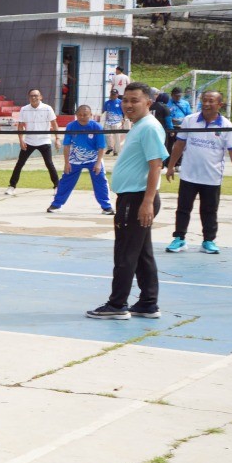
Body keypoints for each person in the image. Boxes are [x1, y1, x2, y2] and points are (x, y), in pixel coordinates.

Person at [88, 82, 168, 319]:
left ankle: (117, 305)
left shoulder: (149, 128)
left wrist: (147, 201)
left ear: (148, 102)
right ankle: (147, 303)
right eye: (126, 100)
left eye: (135, 100)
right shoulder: (139, 126)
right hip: (133, 198)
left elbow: (156, 165)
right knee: (142, 253)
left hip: (137, 199)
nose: (129, 105)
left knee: (125, 252)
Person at [165, 90, 232, 253]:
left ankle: (208, 241)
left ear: (219, 104)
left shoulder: (227, 126)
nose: (206, 104)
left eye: (211, 101)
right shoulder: (190, 120)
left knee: (209, 211)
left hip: (212, 177)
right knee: (183, 208)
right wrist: (171, 166)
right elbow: (179, 145)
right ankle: (179, 239)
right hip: (188, 175)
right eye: (204, 100)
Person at [47, 105, 112, 214]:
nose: (82, 117)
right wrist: (66, 163)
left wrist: (98, 163)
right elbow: (66, 145)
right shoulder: (71, 126)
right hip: (75, 159)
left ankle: (106, 206)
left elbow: (101, 147)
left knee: (100, 181)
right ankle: (56, 205)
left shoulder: (97, 127)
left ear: (91, 115)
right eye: (80, 115)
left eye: (85, 115)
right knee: (65, 182)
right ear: (76, 115)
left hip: (93, 159)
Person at [6, 89, 59, 193]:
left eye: (36, 95)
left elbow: (54, 124)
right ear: (28, 97)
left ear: (40, 97)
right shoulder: (24, 109)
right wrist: (21, 140)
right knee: (20, 164)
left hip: (44, 141)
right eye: (31, 96)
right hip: (29, 141)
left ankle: (57, 186)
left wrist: (57, 138)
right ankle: (12, 186)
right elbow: (20, 126)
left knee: (49, 164)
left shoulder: (47, 108)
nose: (33, 97)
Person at [101, 89, 126, 156]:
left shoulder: (120, 102)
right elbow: (104, 111)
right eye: (112, 94)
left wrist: (123, 119)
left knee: (116, 136)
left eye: (114, 94)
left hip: (117, 121)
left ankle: (116, 151)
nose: (113, 96)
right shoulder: (107, 102)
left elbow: (124, 111)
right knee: (107, 135)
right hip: (108, 121)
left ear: (117, 95)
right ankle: (110, 148)